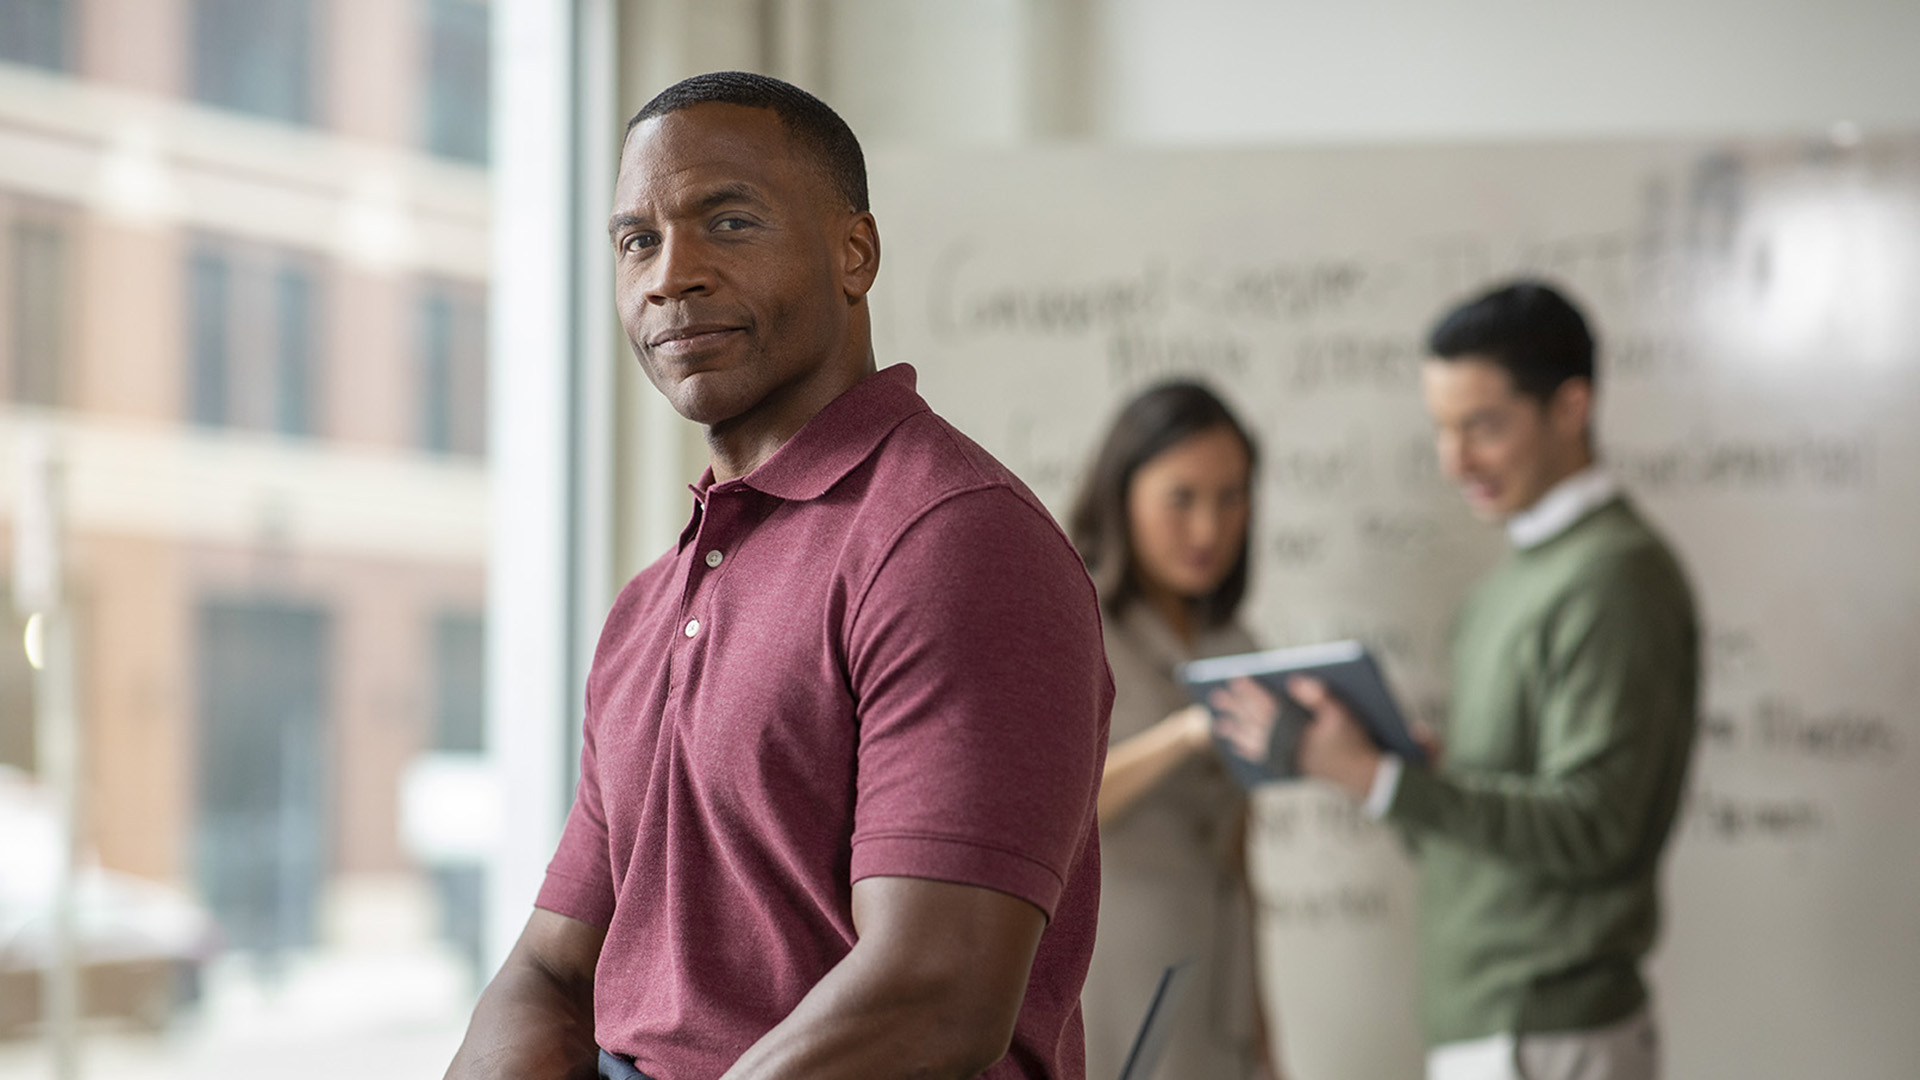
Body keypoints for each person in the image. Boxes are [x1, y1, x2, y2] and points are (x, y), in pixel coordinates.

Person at [443, 72, 1113, 1080]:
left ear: (857, 253)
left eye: (730, 221)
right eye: (638, 240)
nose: (672, 275)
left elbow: (934, 994)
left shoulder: (953, 541)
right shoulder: (650, 604)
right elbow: (550, 971)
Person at [1284, 280, 1699, 1080]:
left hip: (1546, 1036)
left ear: (1571, 408)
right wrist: (1412, 777)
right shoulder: (1512, 583)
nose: (1455, 462)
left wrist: (1381, 782)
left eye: (1483, 427)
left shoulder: (1614, 578)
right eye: (1443, 430)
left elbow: (1596, 825)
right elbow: (1507, 810)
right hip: (1501, 1030)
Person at [1066, 382, 1281, 1080]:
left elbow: (1238, 850)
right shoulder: (1074, 619)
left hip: (1218, 963)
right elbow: (1057, 808)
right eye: (1181, 498)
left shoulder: (1235, 639)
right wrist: (1187, 734)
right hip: (1113, 964)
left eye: (1231, 498)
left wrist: (1263, 1026)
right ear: (1124, 494)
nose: (1209, 529)